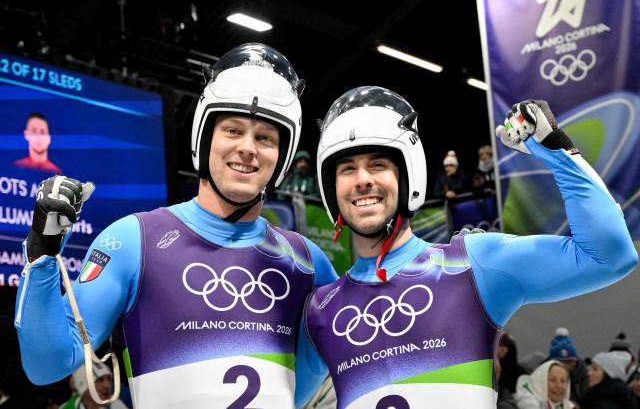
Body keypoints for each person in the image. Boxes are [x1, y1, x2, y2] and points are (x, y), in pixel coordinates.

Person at [15, 43, 337, 408]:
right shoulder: (133, 241)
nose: (248, 148)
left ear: (282, 155)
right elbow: (46, 366)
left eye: (265, 137)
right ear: (204, 138)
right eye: (232, 130)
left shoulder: (309, 263)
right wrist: (41, 252)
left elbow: (300, 391)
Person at [304, 88, 637, 408]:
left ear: (409, 176)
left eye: (378, 164)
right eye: (347, 168)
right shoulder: (320, 309)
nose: (362, 179)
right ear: (331, 188)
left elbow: (609, 257)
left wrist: (556, 149)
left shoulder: (470, 265)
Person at [60, 362, 128, 409]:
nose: (107, 386)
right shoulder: (67, 407)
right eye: (99, 380)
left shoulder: (117, 406)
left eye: (109, 379)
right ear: (83, 387)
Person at [548, 328, 589, 401]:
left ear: (575, 362)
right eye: (560, 362)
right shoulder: (540, 376)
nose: (565, 366)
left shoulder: (584, 377)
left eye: (569, 362)